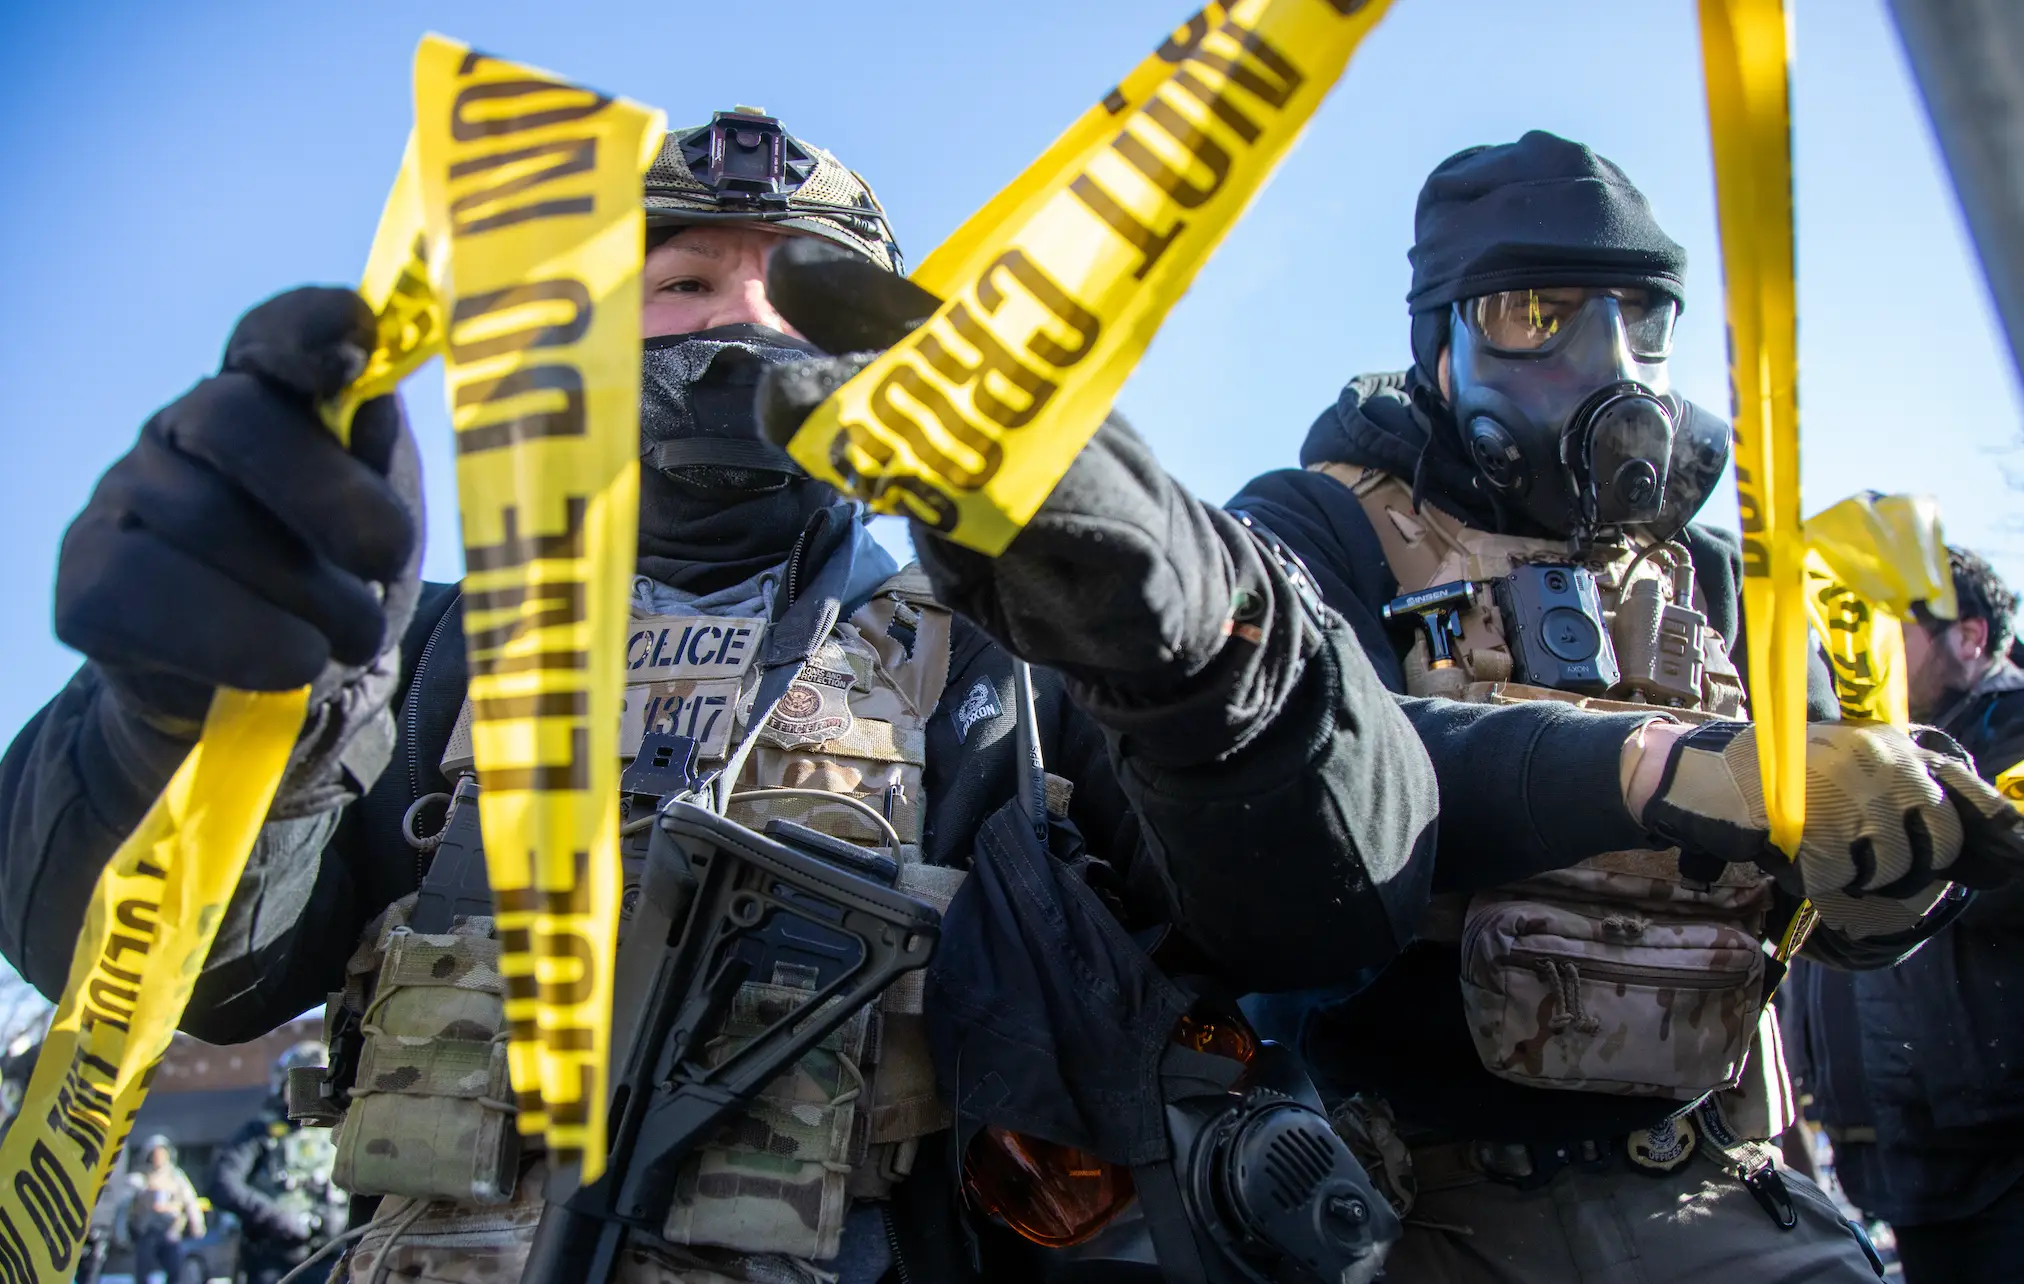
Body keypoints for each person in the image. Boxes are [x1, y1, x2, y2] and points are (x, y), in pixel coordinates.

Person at [0, 109, 1442, 1283]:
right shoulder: (435, 655)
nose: (738, 328)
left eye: (792, 291)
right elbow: (160, 976)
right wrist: (170, 721)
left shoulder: (1010, 659)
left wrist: (1212, 648)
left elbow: (1329, 912)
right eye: (683, 284)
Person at [1219, 131, 2024, 1281]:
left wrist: (1884, 875)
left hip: (1708, 1185)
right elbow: (1309, 765)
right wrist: (1662, 770)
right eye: (1534, 314)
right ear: (1438, 340)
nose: (1605, 360)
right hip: (1407, 1197)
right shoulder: (1314, 525)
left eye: (1640, 317)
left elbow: (1827, 919)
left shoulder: (1716, 576)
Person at [1787, 545, 2024, 1283]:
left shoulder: (2010, 728)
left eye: (1894, 625)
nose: (1866, 648)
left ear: (1971, 637)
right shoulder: (1863, 743)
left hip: (2000, 1151)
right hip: (1900, 1150)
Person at [210, 1041, 348, 1284]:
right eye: (304, 1084)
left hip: (329, 1256)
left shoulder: (342, 1132)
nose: (312, 1093)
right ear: (285, 1086)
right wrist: (273, 1217)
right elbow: (222, 1184)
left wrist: (342, 1217)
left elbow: (370, 1185)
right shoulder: (260, 1132)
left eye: (319, 1084)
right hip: (272, 1259)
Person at [128, 1135, 204, 1284]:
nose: (159, 1157)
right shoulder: (141, 1178)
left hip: (170, 1233)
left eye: (162, 1153)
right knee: (143, 1271)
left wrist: (197, 1225)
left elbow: (190, 1202)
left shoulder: (177, 1177)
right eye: (155, 1154)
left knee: (176, 1268)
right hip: (147, 1232)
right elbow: (127, 1204)